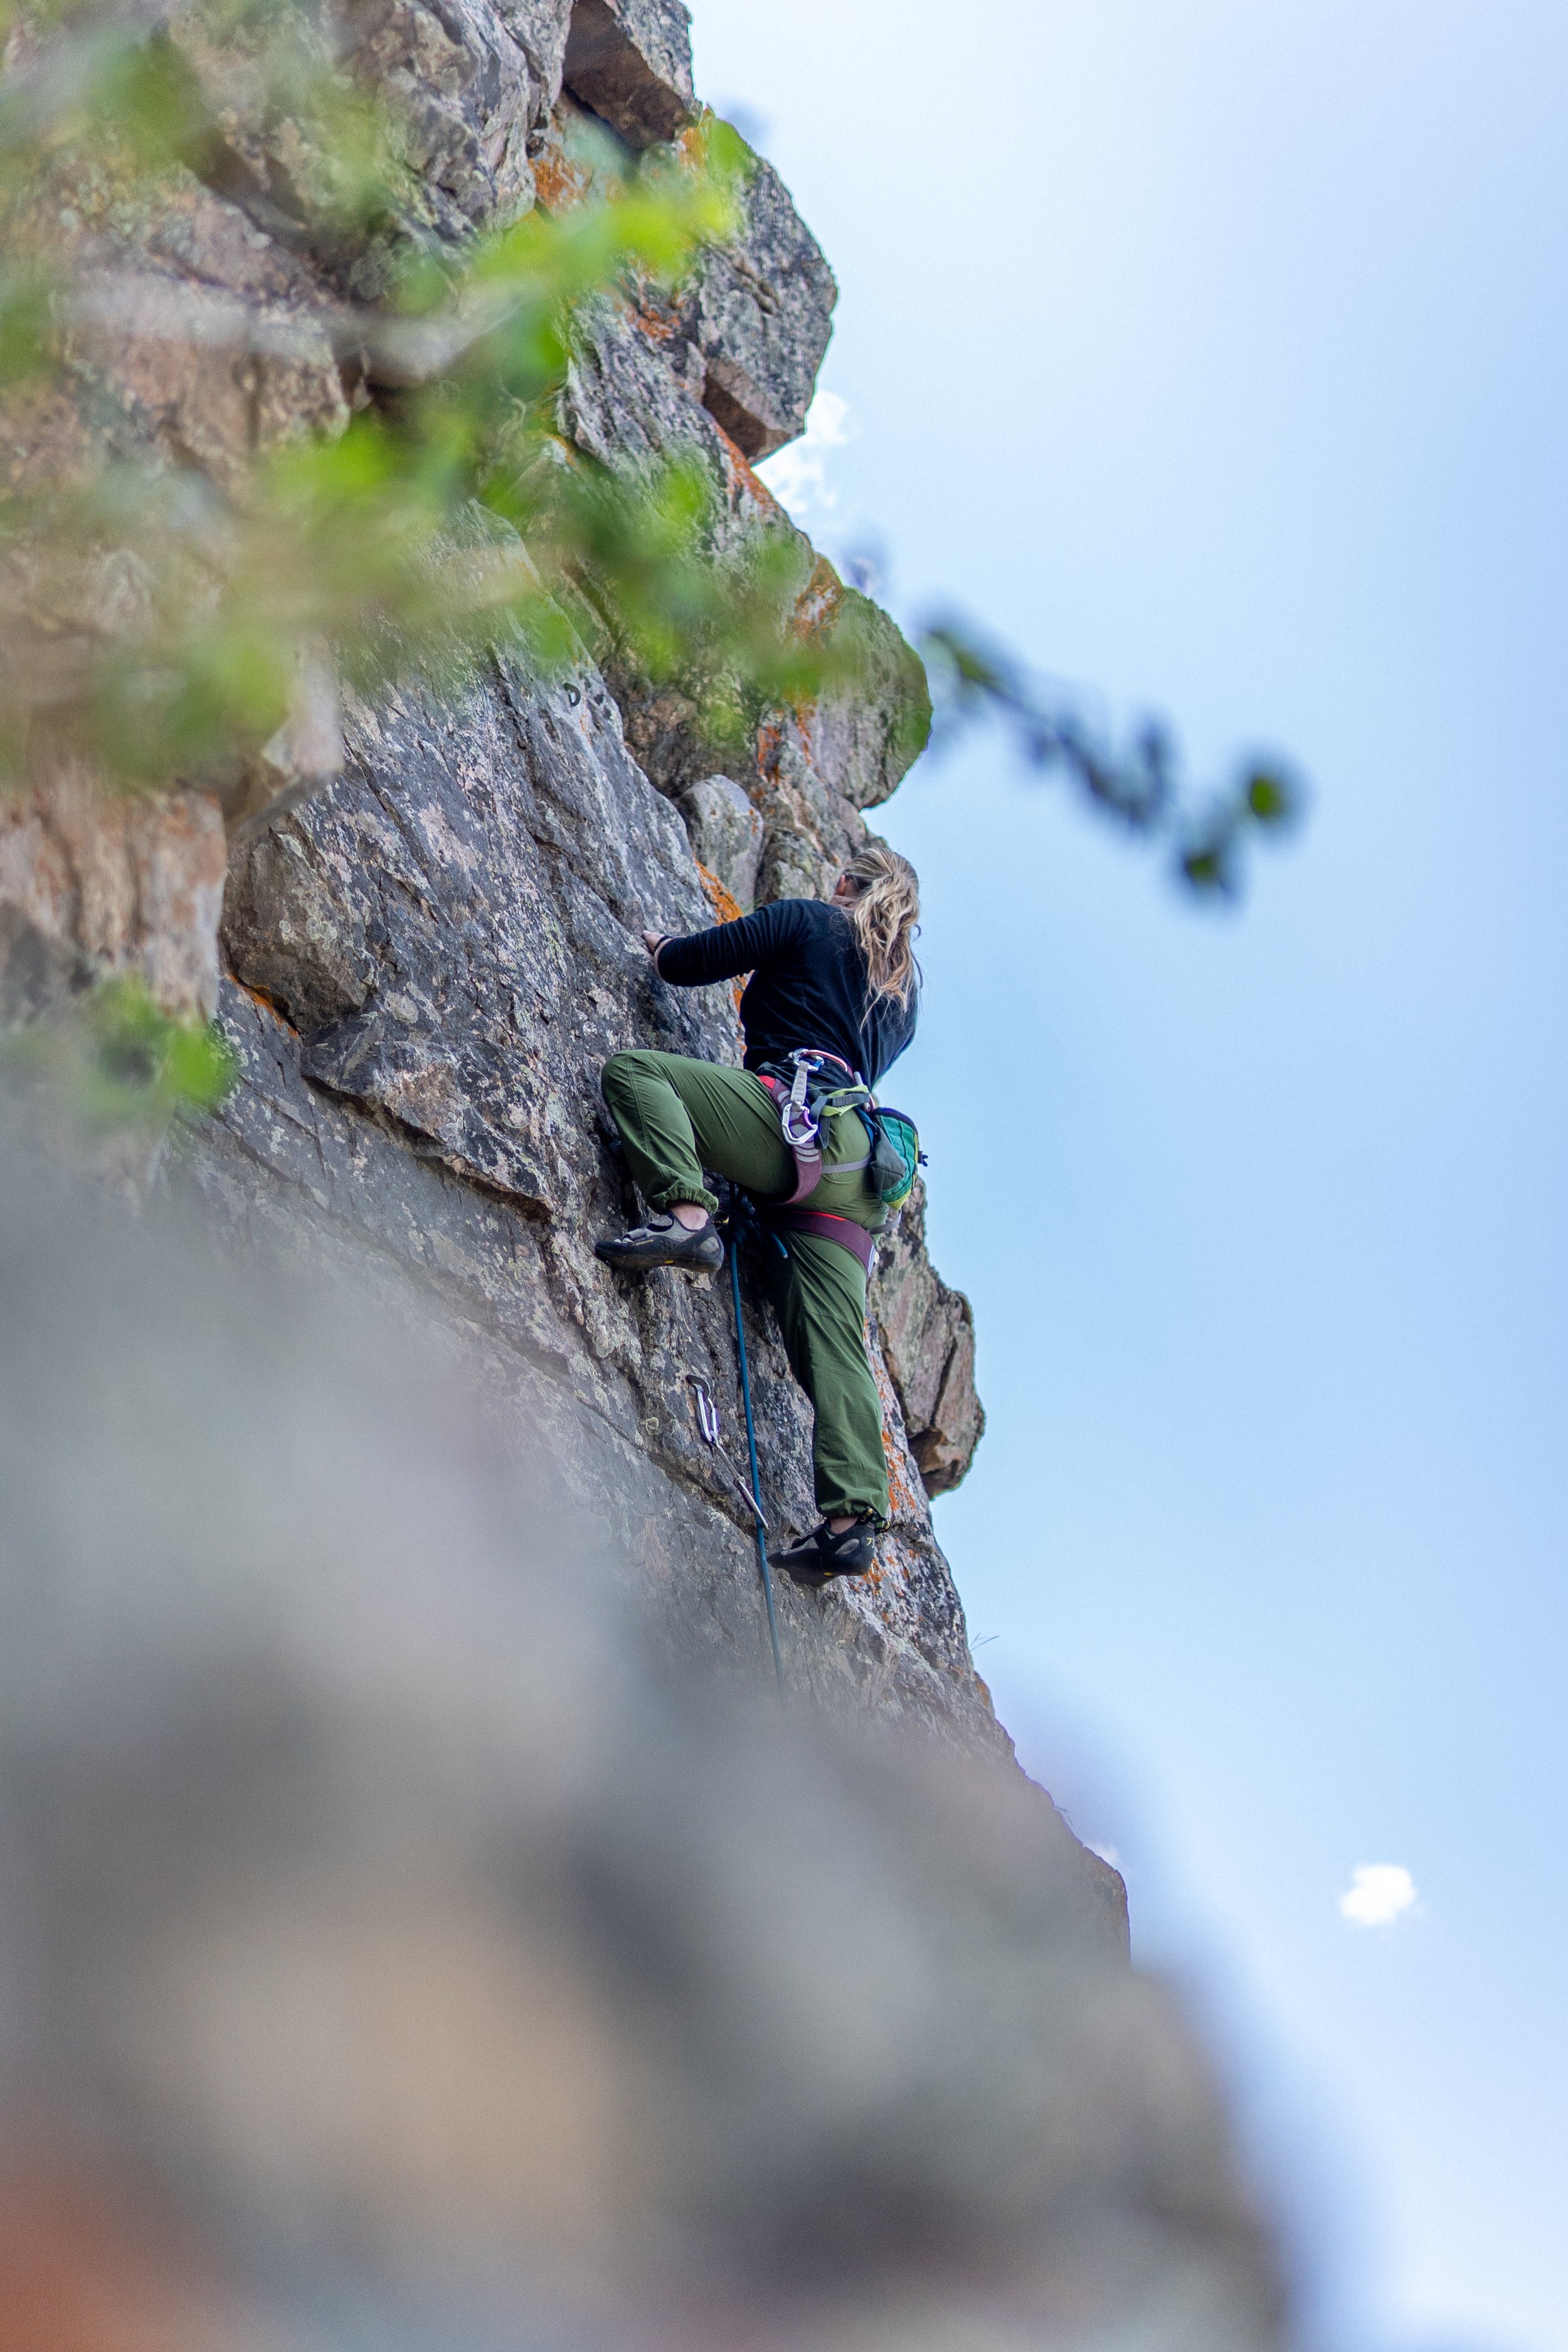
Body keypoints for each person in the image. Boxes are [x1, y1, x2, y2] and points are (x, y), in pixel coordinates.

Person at [595, 844, 921, 1587]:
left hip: (793, 1129)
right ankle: (850, 1523)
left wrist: (662, 946)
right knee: (836, 1348)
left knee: (638, 1075)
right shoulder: (902, 995)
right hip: (856, 1178)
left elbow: (690, 963)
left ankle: (685, 1216)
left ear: (843, 884)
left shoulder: (810, 920)